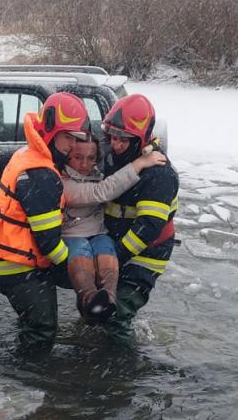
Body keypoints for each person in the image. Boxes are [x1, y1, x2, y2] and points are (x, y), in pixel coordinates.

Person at [0, 91, 91, 352]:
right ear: (51, 131)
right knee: (43, 329)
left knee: (32, 320)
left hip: (1, 254)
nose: (73, 146)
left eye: (76, 138)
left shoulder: (30, 153)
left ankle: (23, 350)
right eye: (68, 137)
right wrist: (79, 271)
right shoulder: (41, 175)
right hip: (15, 264)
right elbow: (49, 244)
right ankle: (24, 381)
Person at [100, 93, 179, 346]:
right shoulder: (112, 158)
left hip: (148, 253)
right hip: (114, 245)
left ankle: (124, 373)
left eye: (123, 139)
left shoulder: (159, 174)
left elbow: (148, 228)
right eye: (112, 136)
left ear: (140, 139)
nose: (116, 144)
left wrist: (114, 259)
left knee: (116, 316)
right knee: (95, 309)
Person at [62, 134, 167, 321]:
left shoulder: (99, 172)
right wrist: (140, 163)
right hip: (74, 234)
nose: (85, 164)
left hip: (99, 233)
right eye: (77, 157)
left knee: (107, 248)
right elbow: (101, 191)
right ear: (66, 155)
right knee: (80, 253)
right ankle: (89, 297)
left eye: (91, 158)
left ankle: (108, 298)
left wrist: (150, 147)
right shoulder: (63, 181)